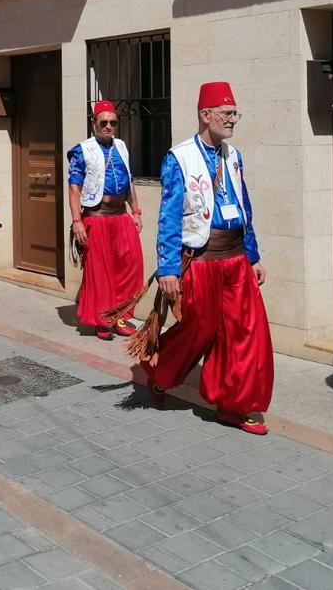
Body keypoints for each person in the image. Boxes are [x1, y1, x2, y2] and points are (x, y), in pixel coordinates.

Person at [144, 82, 272, 435]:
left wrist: (253, 254)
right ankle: (159, 369)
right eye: (227, 114)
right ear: (206, 115)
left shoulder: (234, 156)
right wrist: (168, 268)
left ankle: (234, 404)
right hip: (200, 260)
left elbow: (244, 207)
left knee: (245, 332)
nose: (233, 120)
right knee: (197, 331)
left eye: (235, 113)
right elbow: (168, 217)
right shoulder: (179, 157)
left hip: (235, 260)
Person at [67, 101, 145, 341]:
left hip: (121, 215)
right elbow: (74, 188)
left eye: (113, 123)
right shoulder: (82, 150)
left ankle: (119, 314)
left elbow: (129, 180)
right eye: (104, 123)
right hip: (97, 217)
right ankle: (103, 321)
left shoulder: (121, 146)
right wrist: (77, 221)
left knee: (131, 265)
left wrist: (136, 211)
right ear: (94, 124)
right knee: (100, 273)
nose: (109, 127)